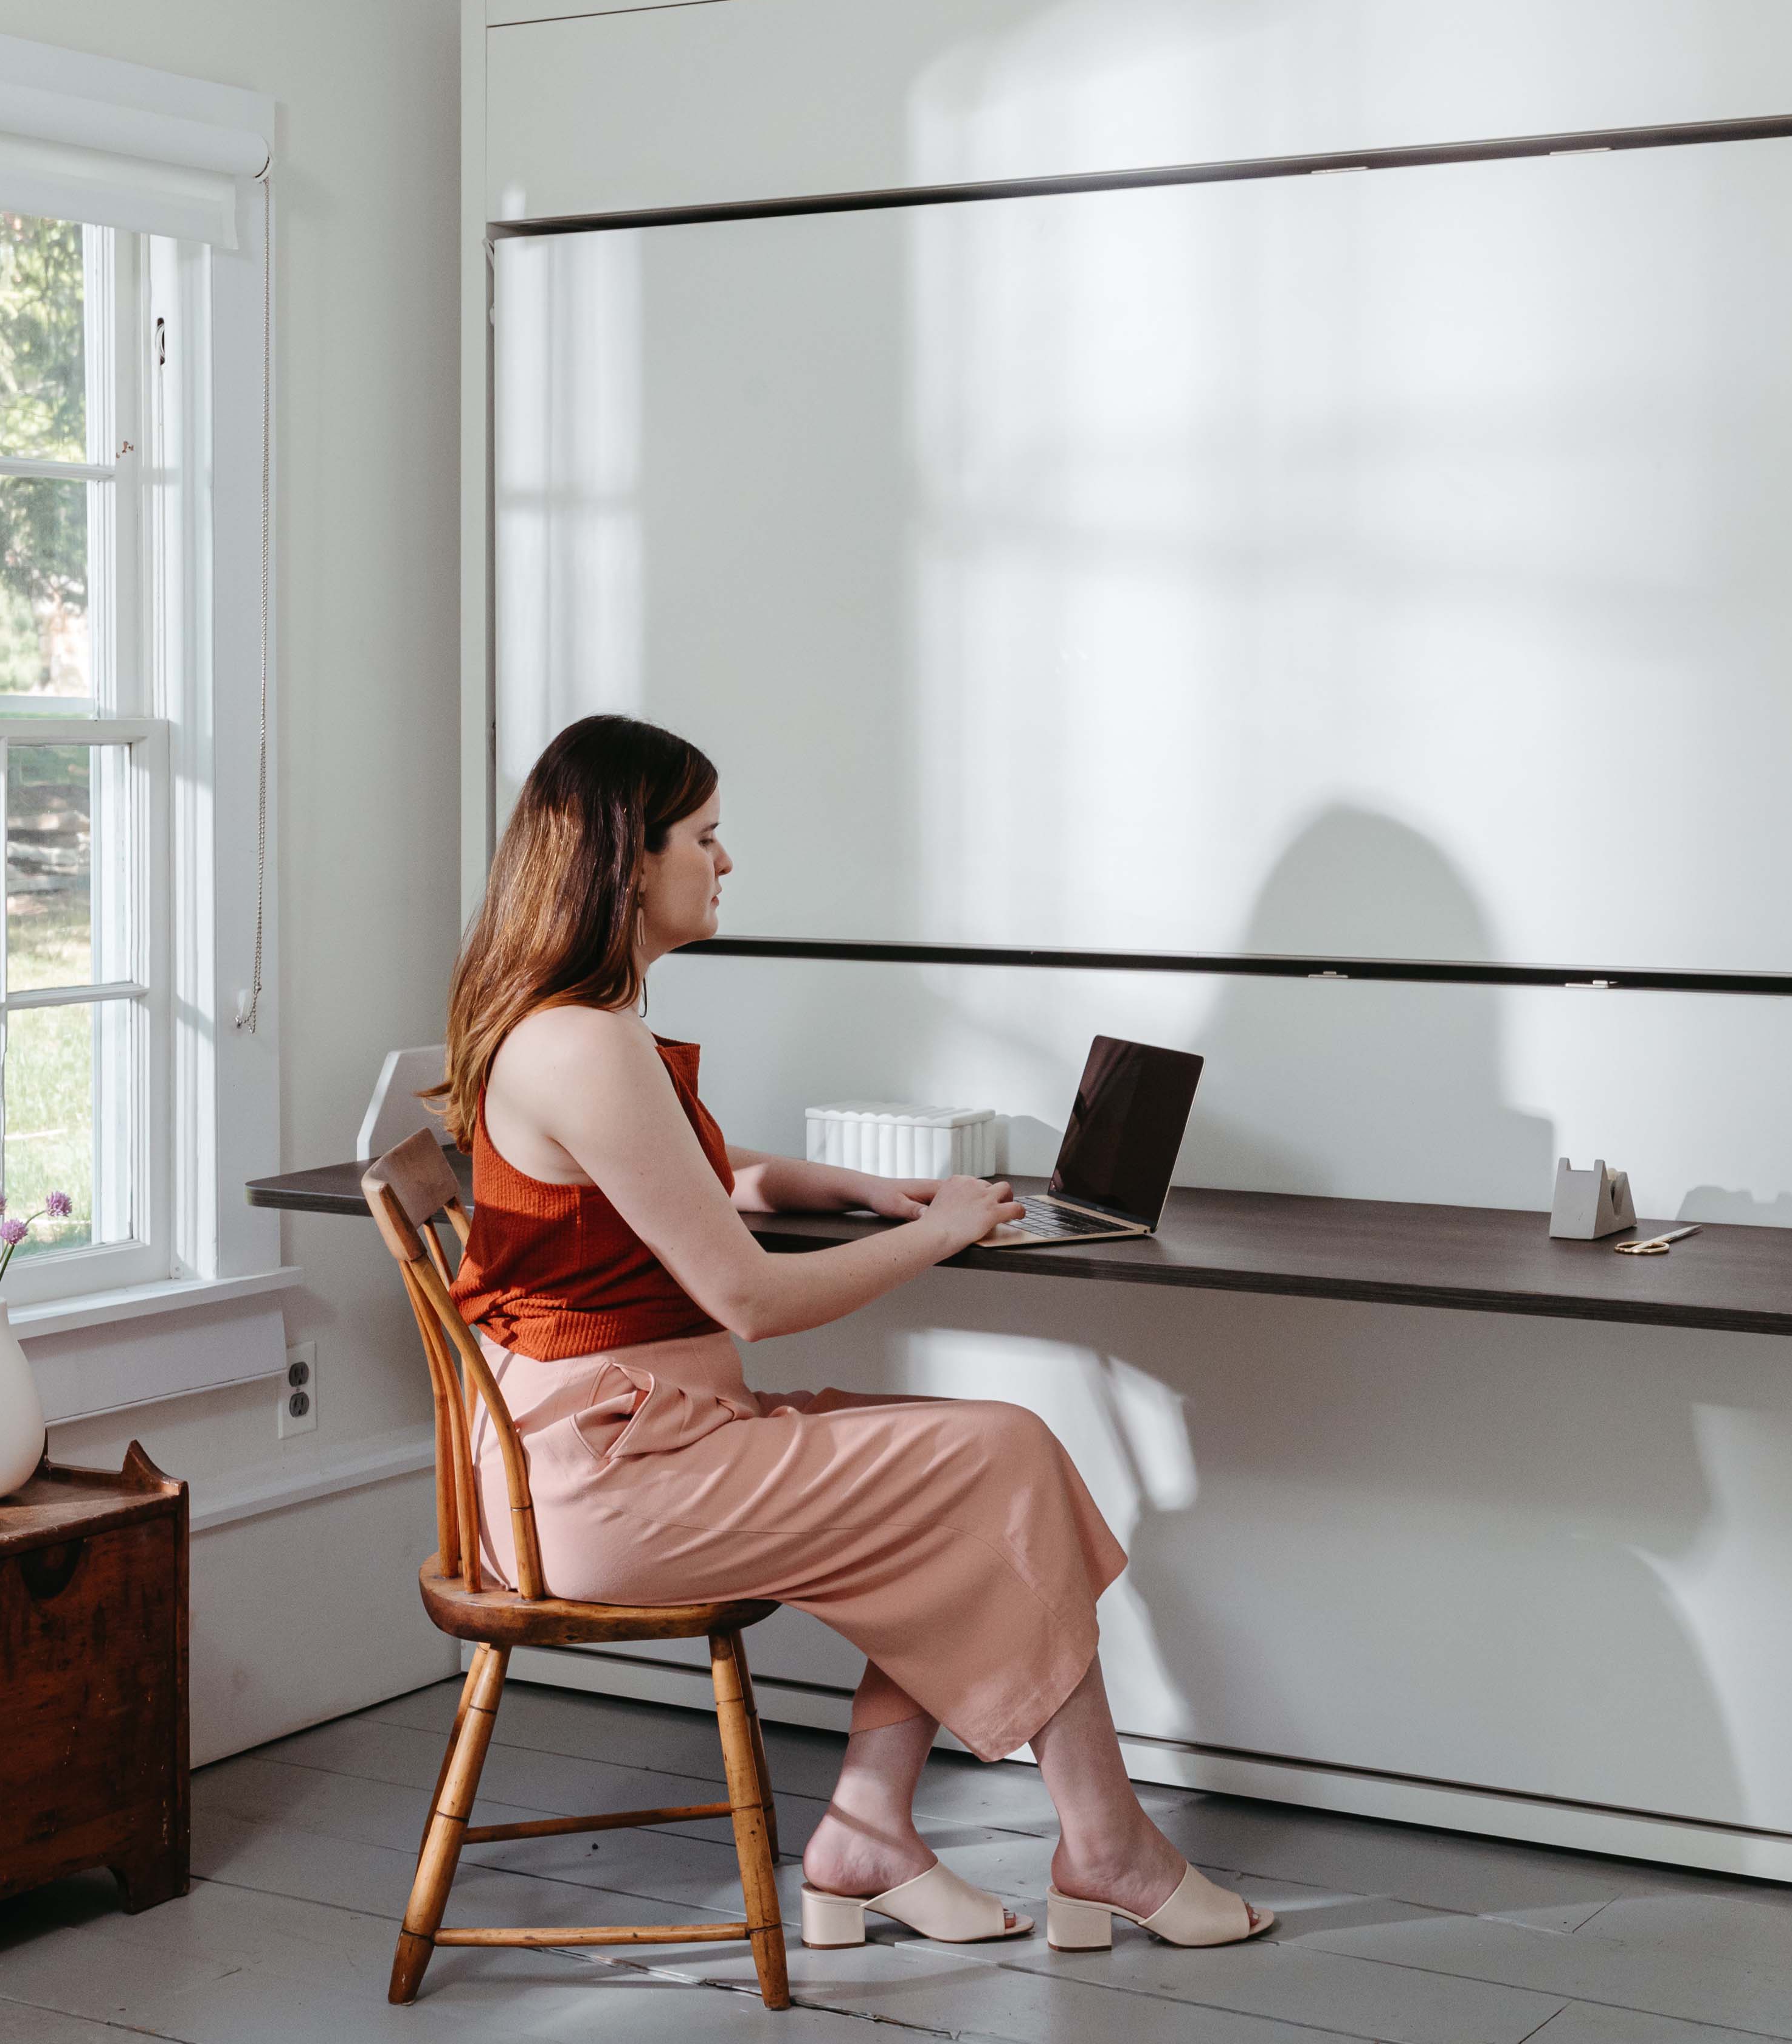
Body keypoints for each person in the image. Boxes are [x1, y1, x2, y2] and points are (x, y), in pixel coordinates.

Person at [440, 713, 1270, 1954]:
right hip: (612, 1484)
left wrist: (852, 1190)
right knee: (1000, 1456)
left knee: (972, 1479)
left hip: (630, 1446)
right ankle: (1101, 1843)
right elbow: (751, 1300)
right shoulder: (582, 1042)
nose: (726, 863)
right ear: (626, 857)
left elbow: (683, 1174)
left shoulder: (577, 1025)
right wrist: (937, 1230)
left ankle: (874, 1831)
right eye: (706, 837)